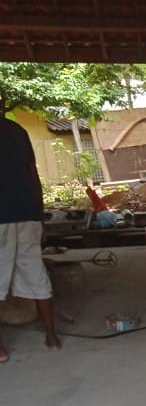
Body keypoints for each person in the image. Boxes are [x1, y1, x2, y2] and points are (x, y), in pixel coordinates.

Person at [0, 116, 61, 360]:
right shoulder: (17, 130)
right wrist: (40, 214)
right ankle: (52, 337)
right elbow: (32, 174)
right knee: (36, 273)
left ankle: (0, 349)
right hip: (27, 214)